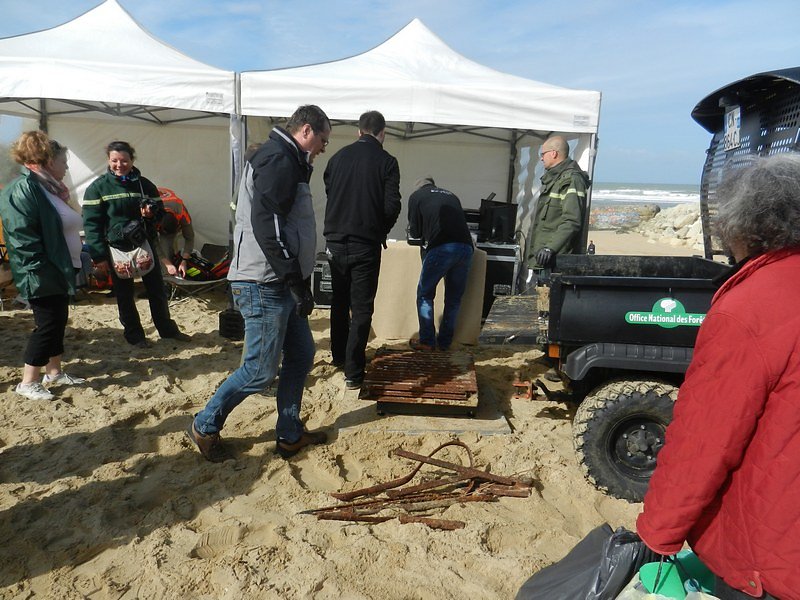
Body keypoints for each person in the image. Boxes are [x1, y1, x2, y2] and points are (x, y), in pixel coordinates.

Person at [636, 154, 800, 600]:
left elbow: (704, 437)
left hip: (772, 555)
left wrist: (658, 533)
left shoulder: (750, 308)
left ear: (742, 226)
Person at [187, 105, 331, 463]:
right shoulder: (278, 160)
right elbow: (269, 226)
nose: (324, 148)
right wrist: (295, 281)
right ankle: (204, 426)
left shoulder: (289, 159)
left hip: (279, 280)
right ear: (308, 130)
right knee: (259, 370)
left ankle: (289, 432)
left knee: (300, 354)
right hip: (264, 281)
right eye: (323, 140)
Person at [0, 131, 86, 401]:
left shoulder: (46, 187)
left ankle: (54, 371)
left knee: (58, 321)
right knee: (47, 324)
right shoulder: (24, 188)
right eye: (64, 162)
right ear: (49, 161)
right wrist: (39, 269)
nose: (67, 167)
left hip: (58, 268)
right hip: (42, 271)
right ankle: (28, 381)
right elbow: (22, 235)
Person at [82, 141, 190, 348]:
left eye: (124, 160)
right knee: (124, 295)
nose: (119, 165)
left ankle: (167, 330)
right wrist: (99, 256)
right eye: (114, 160)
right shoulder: (97, 188)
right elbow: (91, 225)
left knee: (156, 290)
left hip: (144, 246)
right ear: (108, 161)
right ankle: (135, 336)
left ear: (132, 160)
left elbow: (161, 216)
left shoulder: (145, 185)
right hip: (116, 249)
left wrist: (151, 214)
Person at [323, 110, 401, 388]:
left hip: (334, 240)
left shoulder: (336, 158)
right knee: (362, 308)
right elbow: (392, 206)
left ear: (359, 131)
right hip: (365, 243)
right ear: (383, 134)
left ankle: (338, 355)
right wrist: (378, 230)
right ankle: (354, 372)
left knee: (339, 301)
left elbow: (330, 192)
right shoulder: (387, 162)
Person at [406, 176, 474, 351]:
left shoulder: (416, 197)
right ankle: (444, 342)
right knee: (453, 299)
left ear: (419, 188)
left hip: (442, 246)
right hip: (466, 247)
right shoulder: (452, 195)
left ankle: (427, 341)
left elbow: (414, 231)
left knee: (425, 294)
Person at [526, 135, 590, 273]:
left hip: (556, 261)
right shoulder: (554, 180)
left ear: (553, 153)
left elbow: (572, 221)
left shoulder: (571, 179)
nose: (541, 158)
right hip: (544, 259)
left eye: (543, 154)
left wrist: (550, 248)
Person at [156, 187, 195, 278]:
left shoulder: (182, 213)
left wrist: (184, 260)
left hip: (172, 210)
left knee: (166, 245)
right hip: (155, 214)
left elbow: (190, 238)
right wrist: (167, 264)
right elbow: (154, 242)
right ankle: (163, 275)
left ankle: (168, 277)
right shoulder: (150, 214)